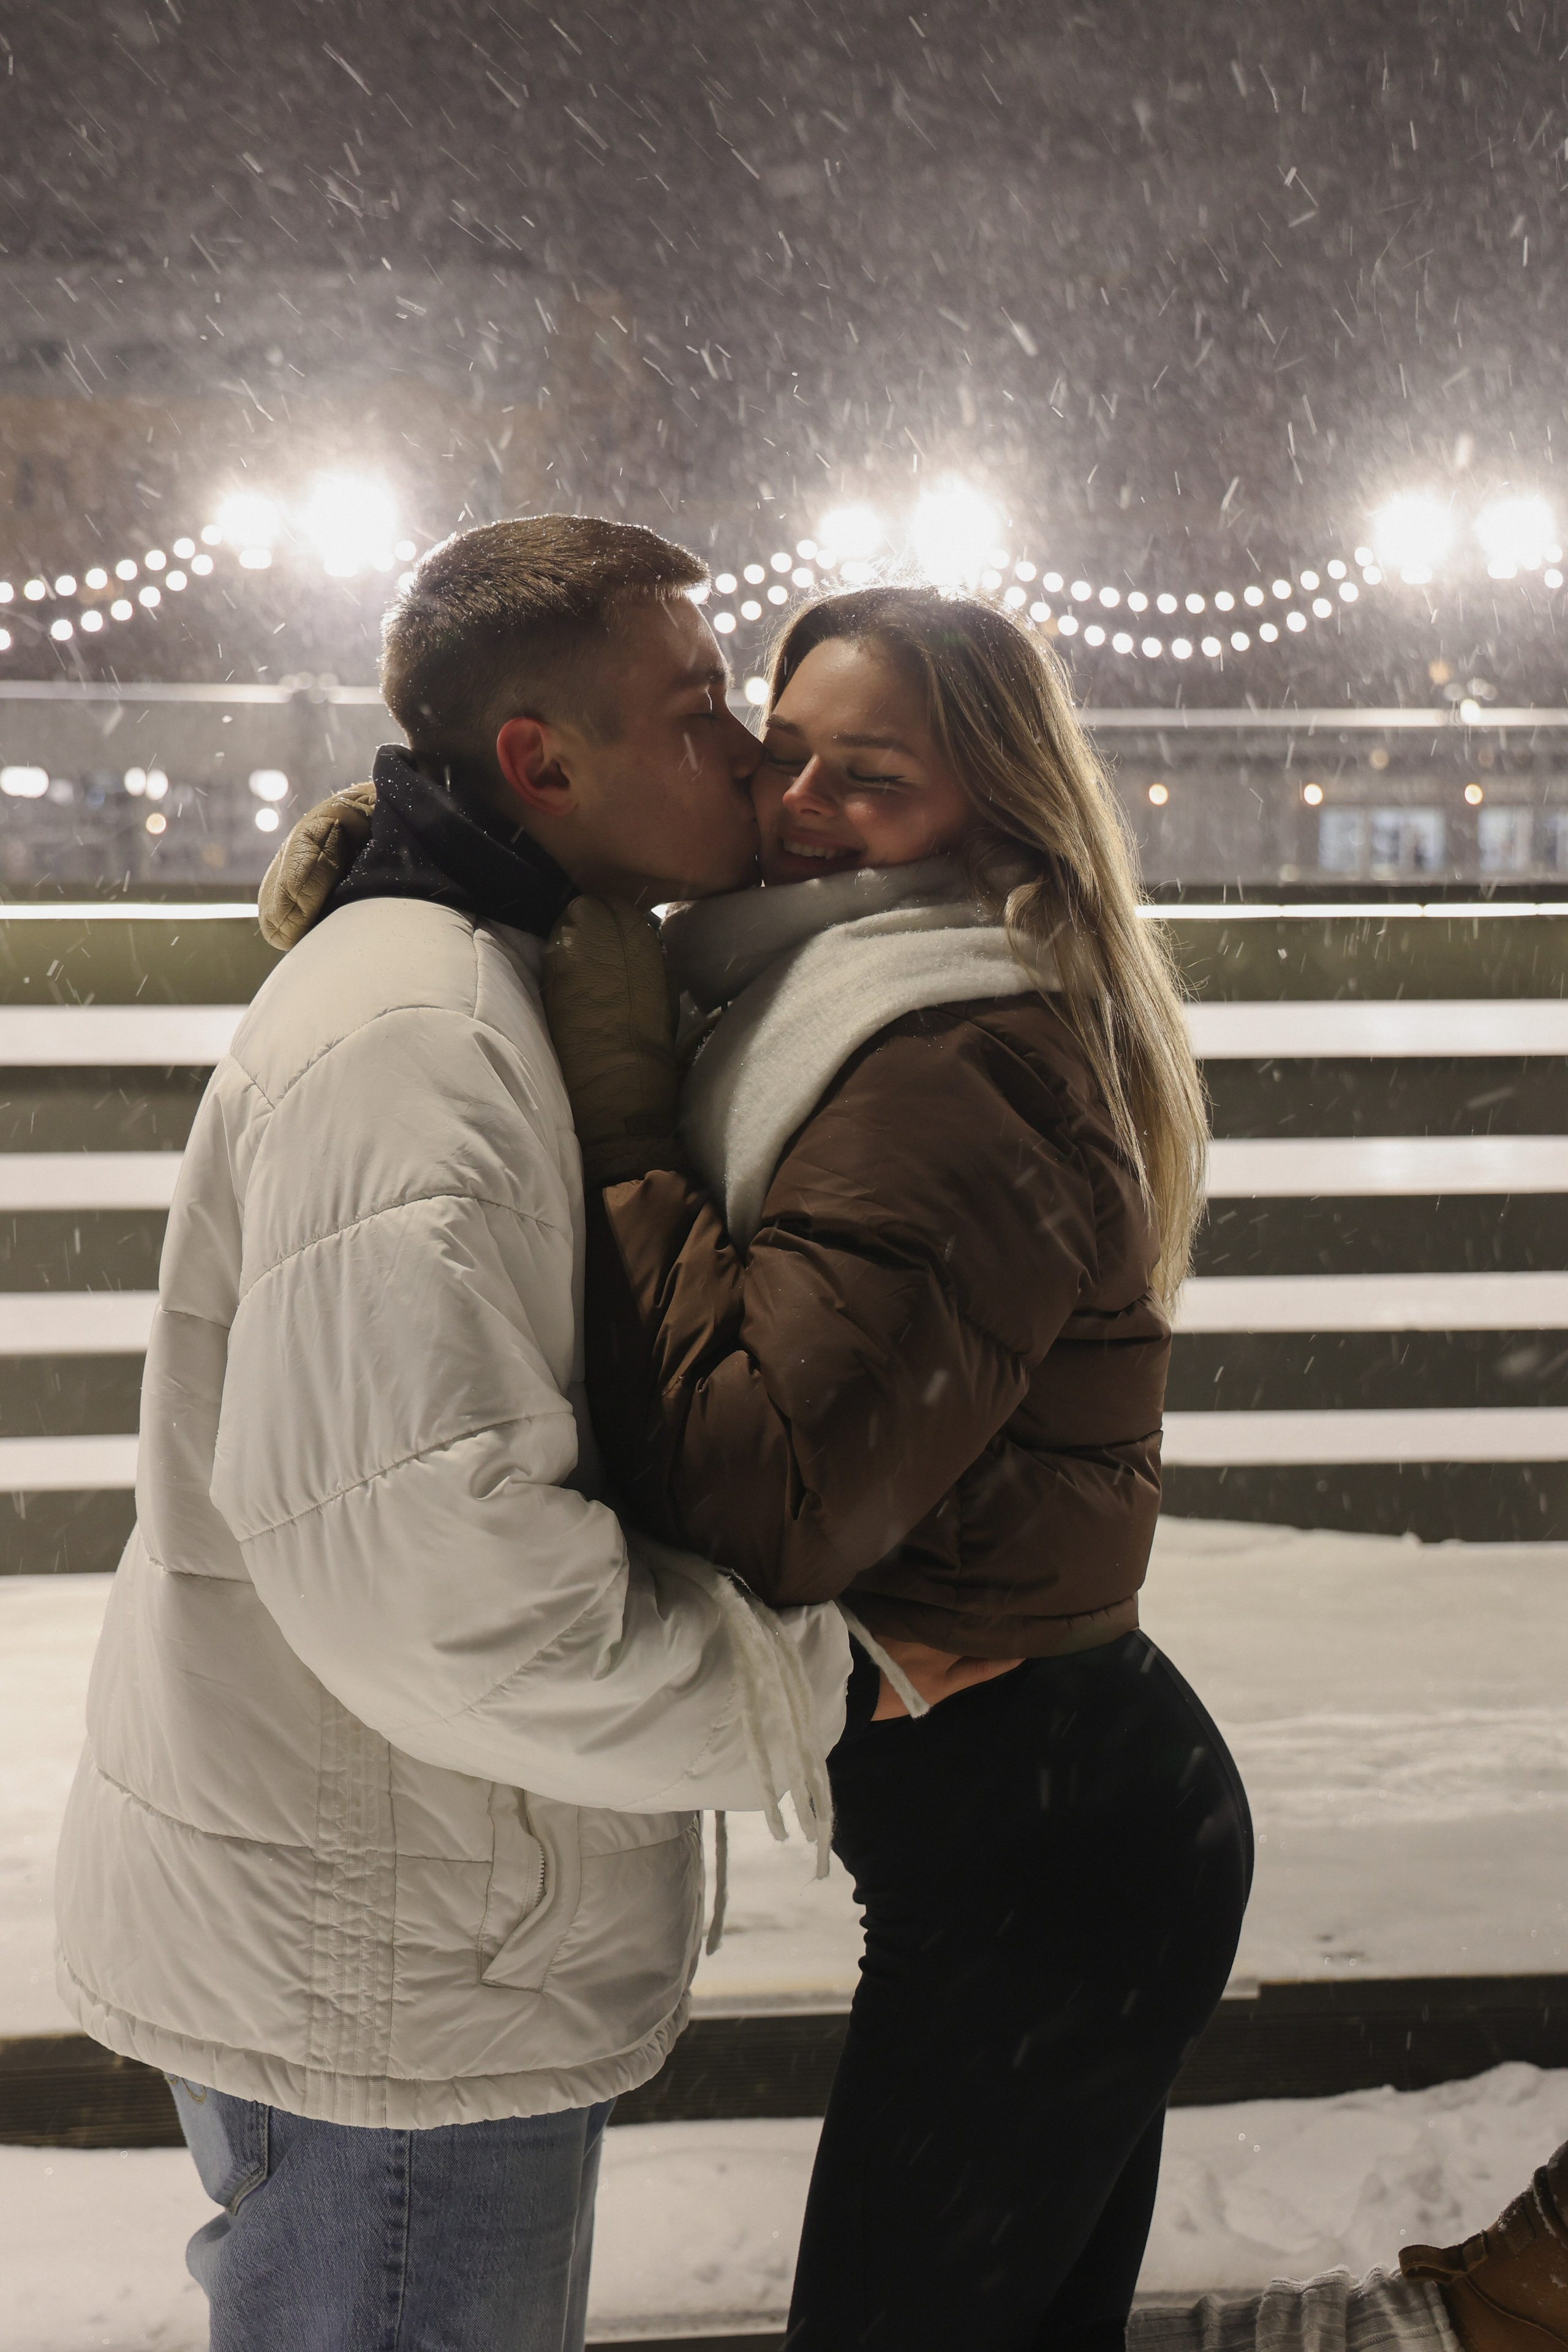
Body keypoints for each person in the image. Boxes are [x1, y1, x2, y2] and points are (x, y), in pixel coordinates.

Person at [51, 515, 853, 2352]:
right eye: (699, 708)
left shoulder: (478, 988)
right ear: (535, 762)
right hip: (393, 1982)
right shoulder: (422, 1036)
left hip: (399, 1931)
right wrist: (804, 1686)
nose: (741, 752)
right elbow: (443, 1580)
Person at [540, 583, 1254, 2352]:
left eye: (871, 776)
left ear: (992, 811)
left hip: (1053, 1850)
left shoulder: (947, 1058)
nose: (799, 806)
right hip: (1047, 1825)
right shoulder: (838, 1002)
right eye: (786, 756)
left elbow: (782, 1490)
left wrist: (624, 1133)